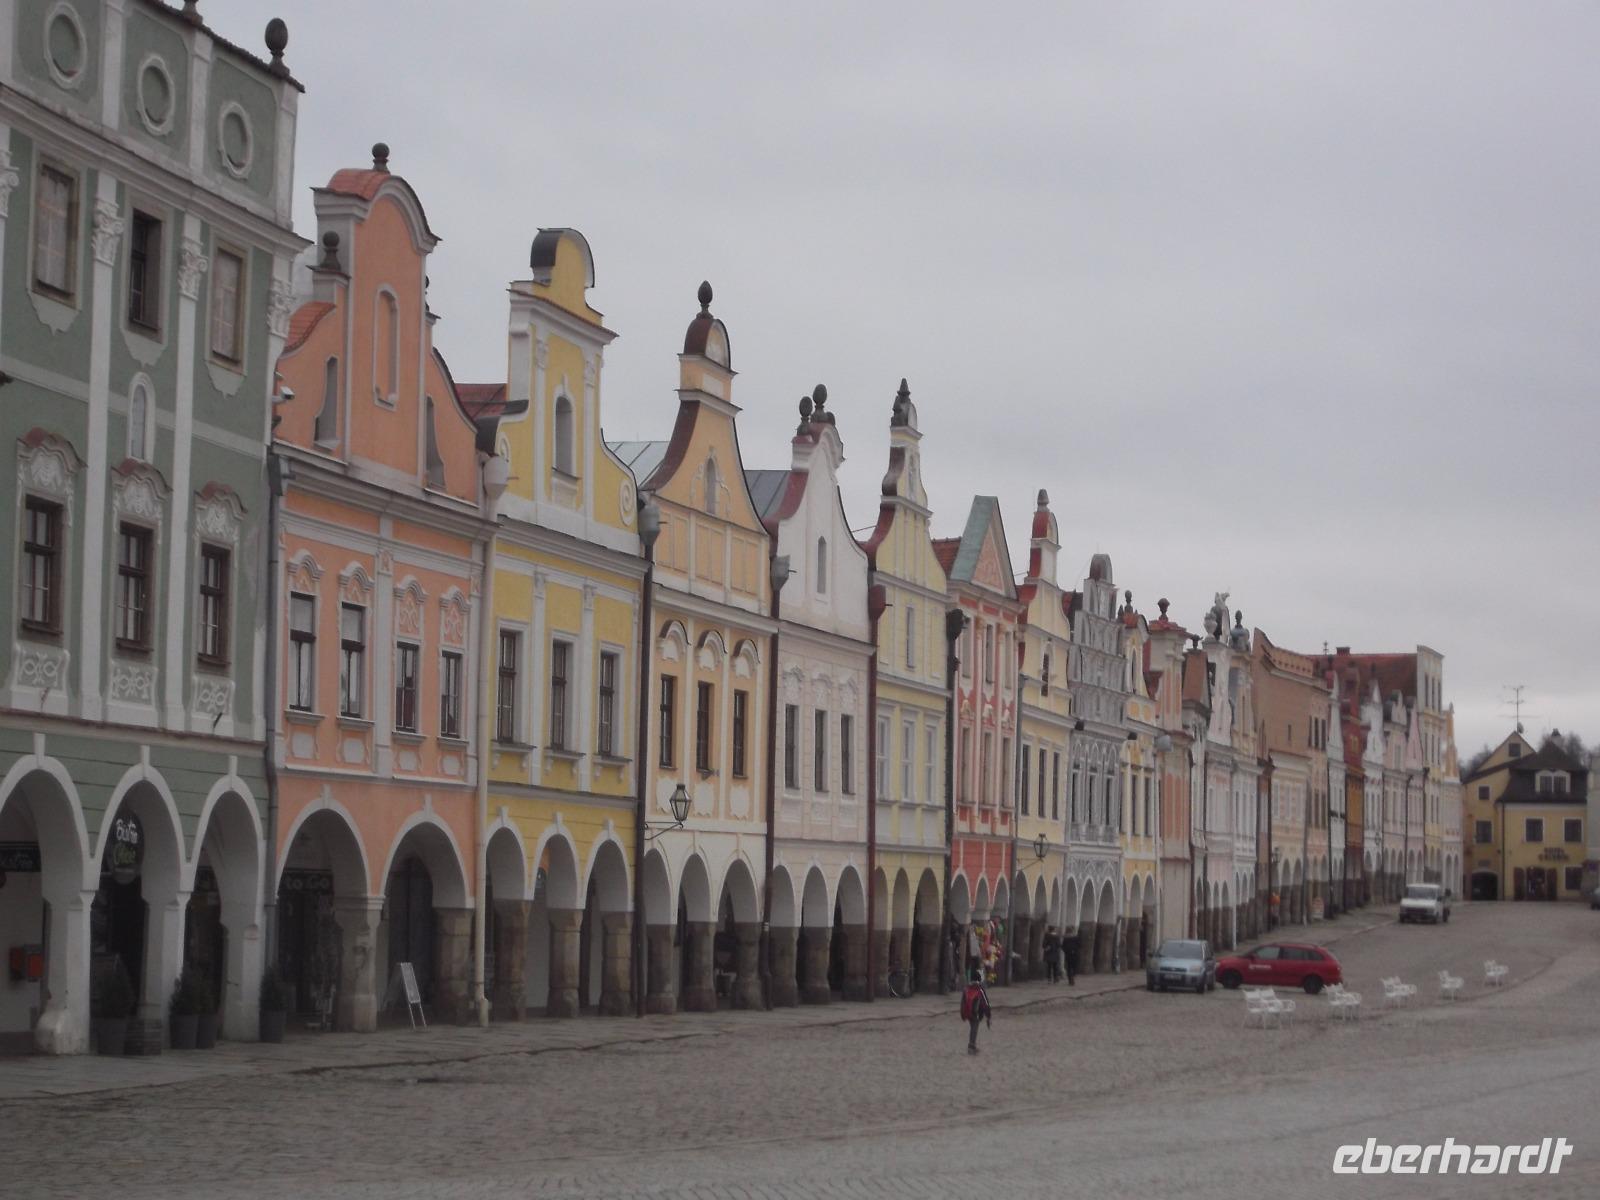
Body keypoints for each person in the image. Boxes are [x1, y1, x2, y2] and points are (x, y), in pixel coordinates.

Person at [960, 967, 991, 1054]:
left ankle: (972, 1045)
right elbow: (985, 1003)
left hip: (968, 1012)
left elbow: (962, 1002)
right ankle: (971, 1046)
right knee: (974, 1028)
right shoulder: (980, 989)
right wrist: (988, 1016)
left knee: (973, 1027)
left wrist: (962, 1013)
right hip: (977, 1013)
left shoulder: (966, 988)